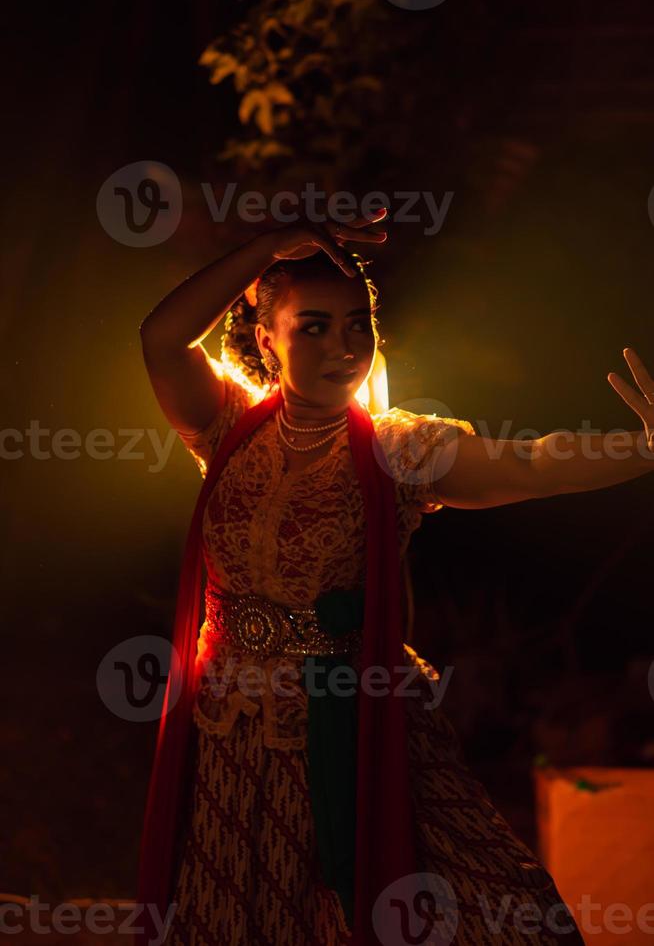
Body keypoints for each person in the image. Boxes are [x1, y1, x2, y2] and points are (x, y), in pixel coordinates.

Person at [136, 208, 654, 945]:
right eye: (313, 325)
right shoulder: (226, 426)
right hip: (229, 730)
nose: (343, 346)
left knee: (493, 910)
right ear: (265, 337)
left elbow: (529, 461)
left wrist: (642, 449)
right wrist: (262, 250)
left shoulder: (395, 449)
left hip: (360, 716)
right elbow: (160, 337)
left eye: (357, 325)